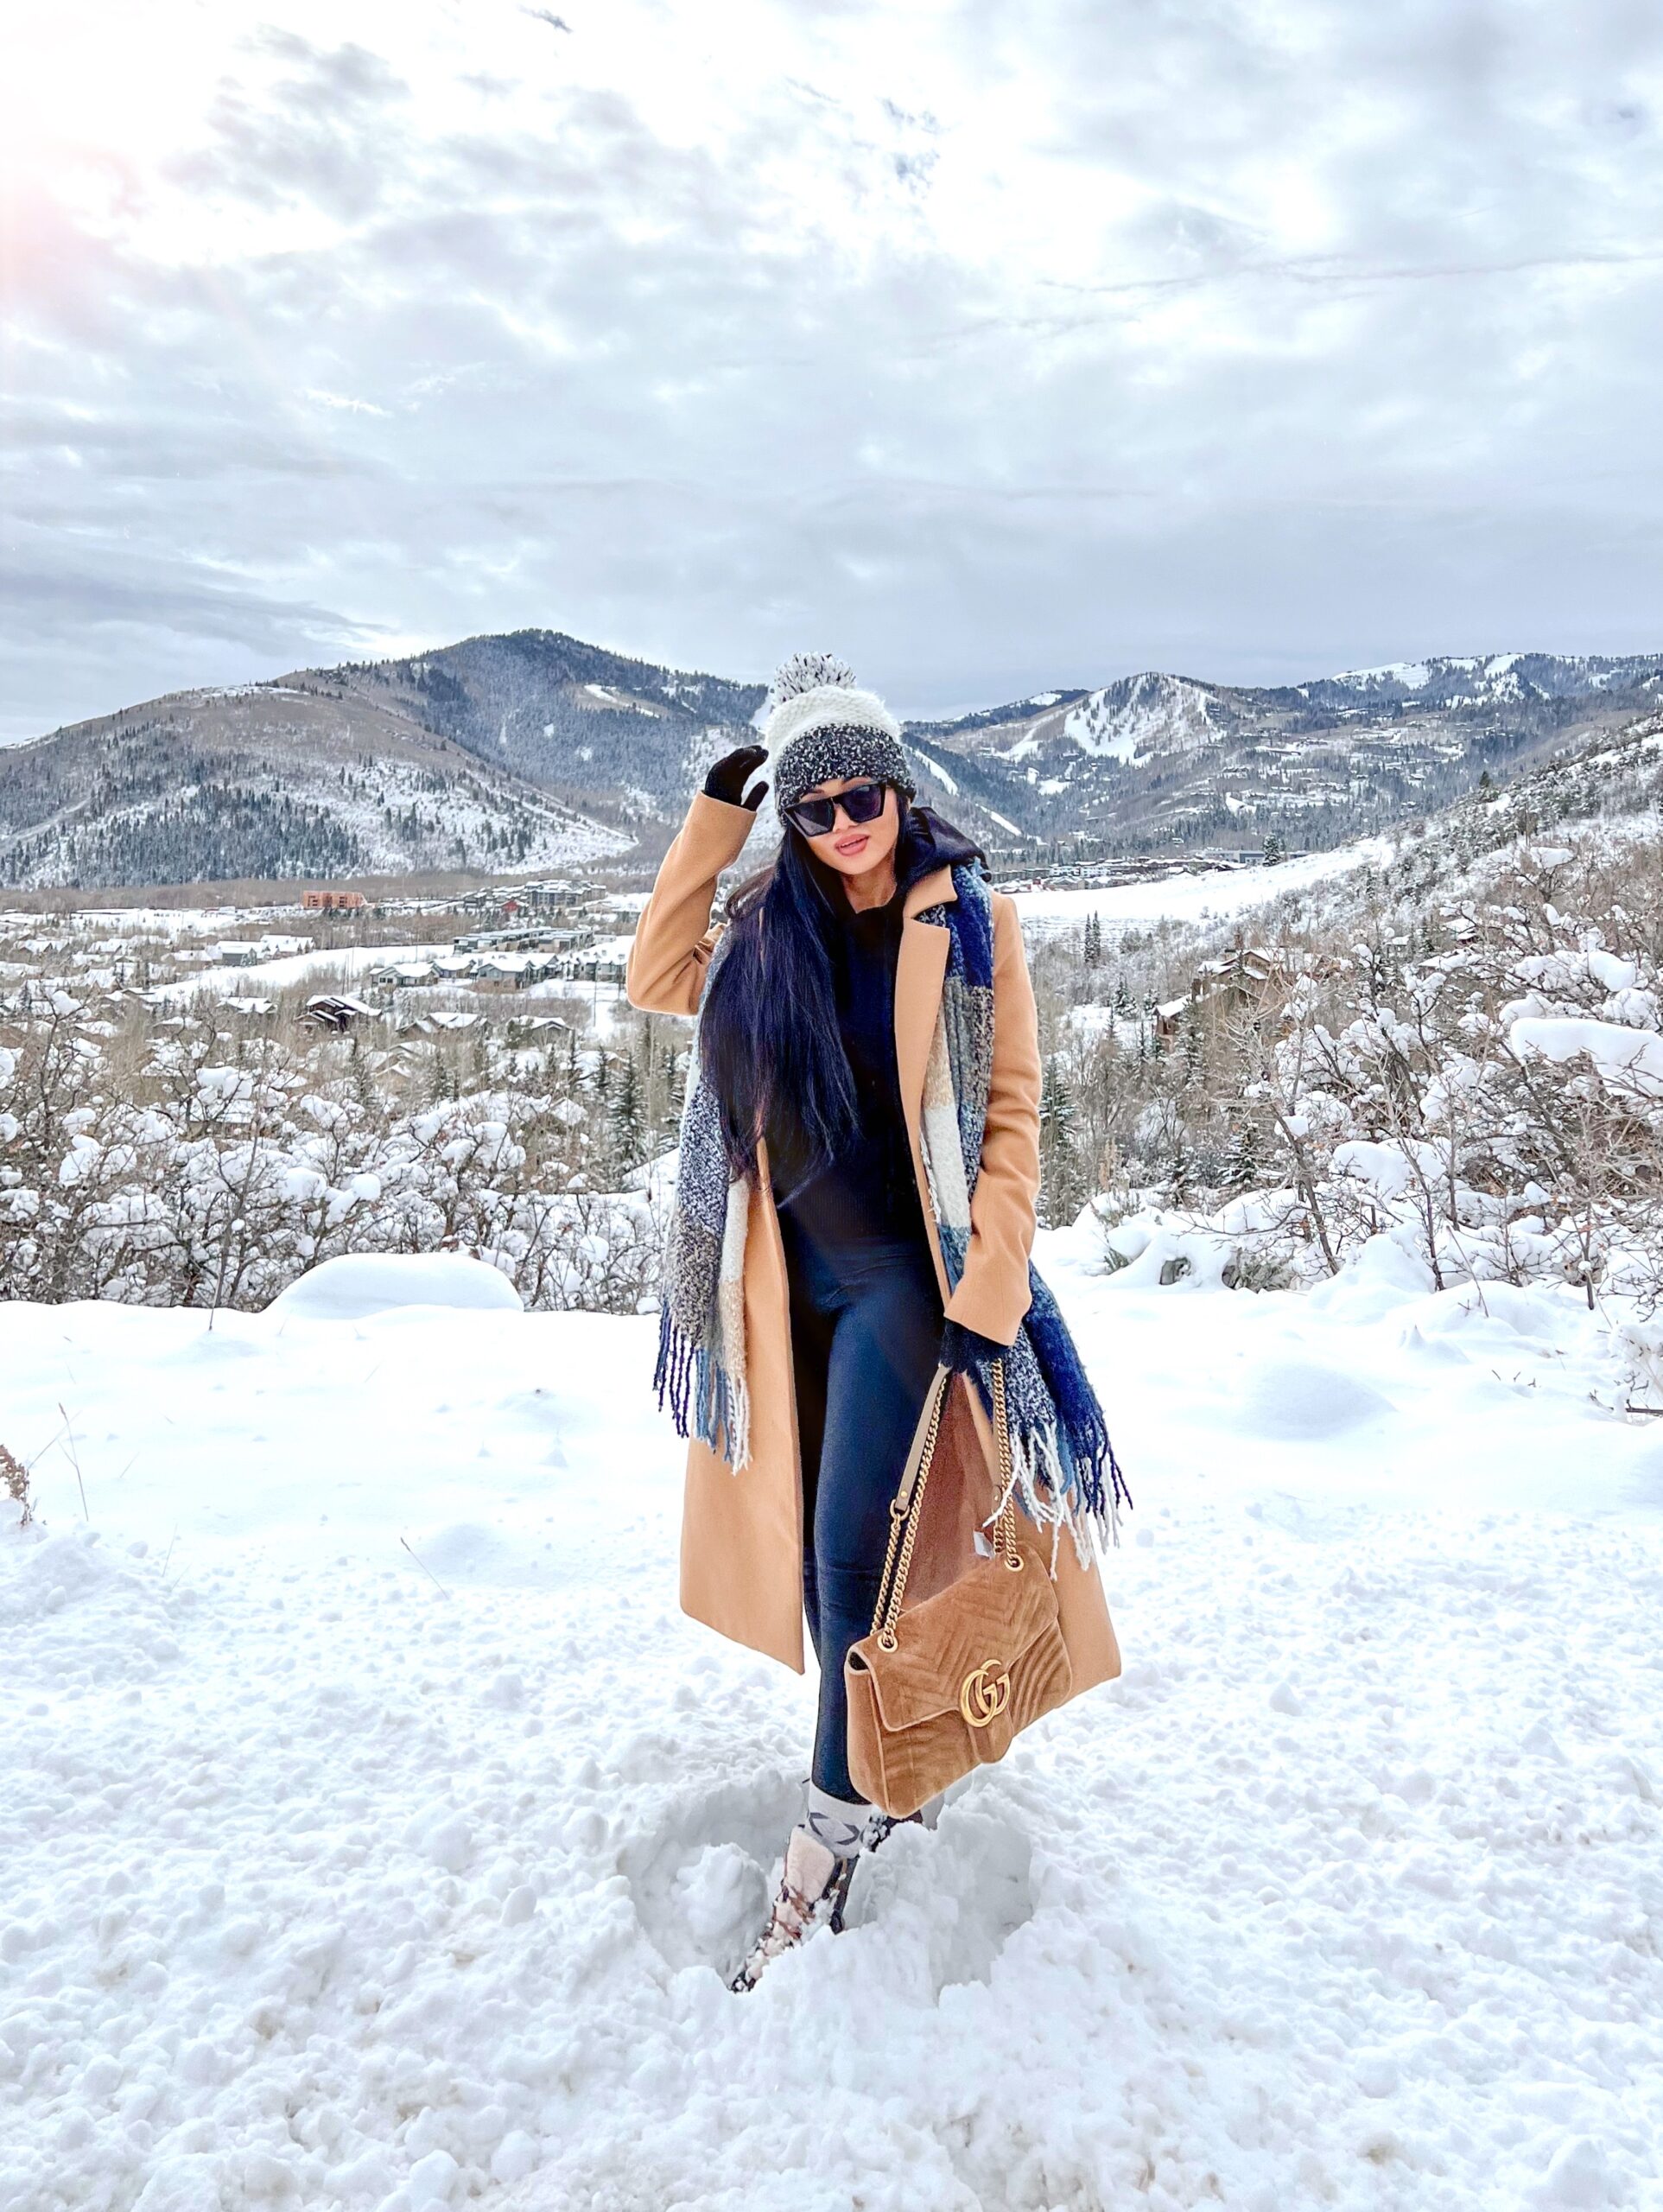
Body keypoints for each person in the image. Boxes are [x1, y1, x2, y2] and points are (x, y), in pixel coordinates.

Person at [626, 653, 1127, 1990]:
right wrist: (713, 817)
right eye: (816, 807)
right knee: (820, 1564)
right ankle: (888, 1751)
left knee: (855, 1556)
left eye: (865, 797)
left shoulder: (969, 928)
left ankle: (824, 1844)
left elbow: (1010, 1122)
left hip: (908, 1286)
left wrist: (989, 1292)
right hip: (780, 1279)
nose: (846, 824)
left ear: (901, 791)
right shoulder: (756, 928)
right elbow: (653, 973)